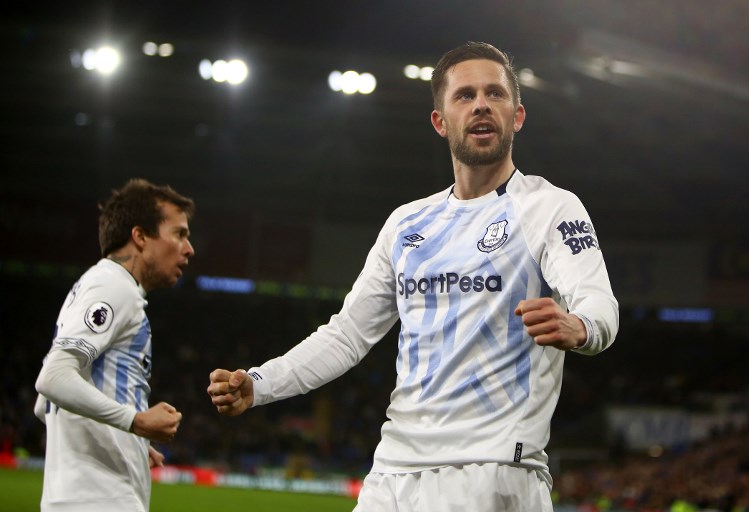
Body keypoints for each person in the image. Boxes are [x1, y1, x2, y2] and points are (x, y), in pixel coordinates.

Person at [208, 41, 619, 511]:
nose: (481, 104)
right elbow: (346, 336)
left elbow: (599, 303)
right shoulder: (406, 224)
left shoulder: (548, 207)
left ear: (517, 115)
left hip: (495, 471)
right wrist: (260, 383)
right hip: (394, 474)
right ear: (440, 121)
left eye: (495, 94)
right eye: (464, 95)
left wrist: (580, 326)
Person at [34, 178, 195, 512]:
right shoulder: (114, 287)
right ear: (140, 237)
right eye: (179, 234)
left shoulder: (96, 285)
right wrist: (134, 422)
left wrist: (123, 439)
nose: (189, 248)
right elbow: (52, 379)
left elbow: (43, 405)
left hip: (78, 495)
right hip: (99, 497)